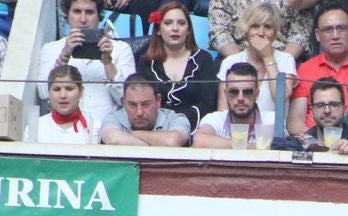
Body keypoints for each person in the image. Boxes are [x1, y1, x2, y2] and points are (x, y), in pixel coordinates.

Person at [286, 1, 348, 134]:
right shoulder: (305, 69)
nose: (335, 36)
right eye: (328, 30)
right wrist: (320, 143)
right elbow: (295, 120)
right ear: (317, 35)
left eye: (341, 28)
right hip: (315, 147)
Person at [38, 0, 136, 123]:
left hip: (106, 130)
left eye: (89, 12)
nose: (83, 19)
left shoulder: (121, 48)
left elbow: (129, 98)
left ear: (99, 16)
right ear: (67, 15)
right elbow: (43, 93)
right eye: (77, 11)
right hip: (65, 129)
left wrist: (107, 61)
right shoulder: (51, 48)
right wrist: (64, 55)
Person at [138, 1, 219, 130]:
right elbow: (141, 101)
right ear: (158, 30)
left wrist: (181, 124)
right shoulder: (147, 62)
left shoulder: (203, 59)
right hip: (155, 128)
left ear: (188, 31)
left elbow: (207, 103)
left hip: (194, 128)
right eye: (168, 23)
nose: (175, 28)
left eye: (181, 23)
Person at [216, 1, 296, 122]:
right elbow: (223, 112)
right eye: (255, 26)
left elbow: (281, 98)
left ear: (275, 33)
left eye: (268, 27)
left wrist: (268, 57)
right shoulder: (229, 62)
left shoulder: (286, 59)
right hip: (237, 132)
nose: (261, 33)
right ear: (246, 30)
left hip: (273, 134)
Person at [100, 74, 192, 146]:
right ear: (124, 102)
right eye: (132, 105)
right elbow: (113, 139)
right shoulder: (114, 117)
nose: (139, 112)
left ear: (158, 100)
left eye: (146, 104)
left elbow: (172, 142)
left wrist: (134, 134)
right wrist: (152, 145)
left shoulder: (176, 119)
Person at [209, 0, 311, 61]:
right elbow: (219, 32)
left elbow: (300, 35)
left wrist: (280, 63)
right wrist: (242, 63)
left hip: (281, 55)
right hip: (236, 55)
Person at [194, 62, 264, 146]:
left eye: (247, 92)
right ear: (225, 93)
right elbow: (199, 141)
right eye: (234, 92)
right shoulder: (215, 119)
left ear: (257, 94)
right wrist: (255, 148)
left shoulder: (272, 121)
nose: (240, 98)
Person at [38, 63, 94, 144]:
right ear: (49, 92)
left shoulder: (95, 127)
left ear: (81, 91)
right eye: (57, 89)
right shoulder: (37, 127)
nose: (63, 95)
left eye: (69, 89)